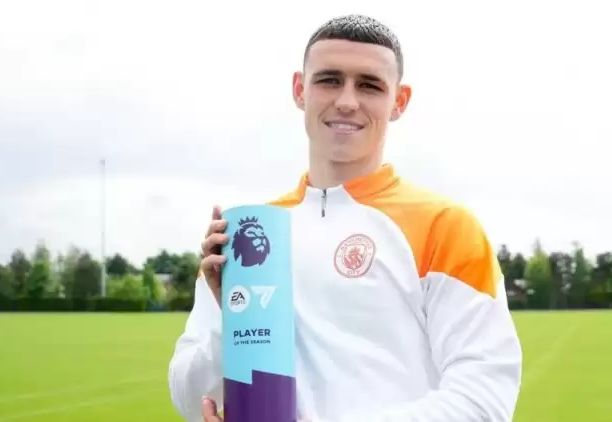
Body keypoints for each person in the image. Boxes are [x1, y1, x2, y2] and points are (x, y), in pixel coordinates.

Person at [168, 14, 523, 422]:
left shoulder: (445, 226)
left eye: (369, 85)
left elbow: (484, 399)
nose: (347, 101)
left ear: (399, 101)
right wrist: (231, 319)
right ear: (299, 90)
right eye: (329, 80)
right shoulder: (251, 235)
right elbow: (190, 398)